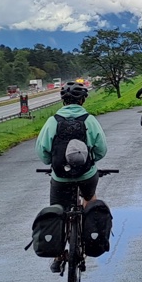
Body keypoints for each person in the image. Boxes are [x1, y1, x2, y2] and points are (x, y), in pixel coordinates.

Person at [35, 81, 108, 272]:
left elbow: (42, 150)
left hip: (60, 176)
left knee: (58, 208)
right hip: (87, 175)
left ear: (63, 101)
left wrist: (49, 163)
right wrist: (93, 161)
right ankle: (88, 238)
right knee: (90, 198)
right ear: (82, 100)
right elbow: (101, 149)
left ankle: (59, 256)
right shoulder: (89, 120)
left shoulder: (53, 121)